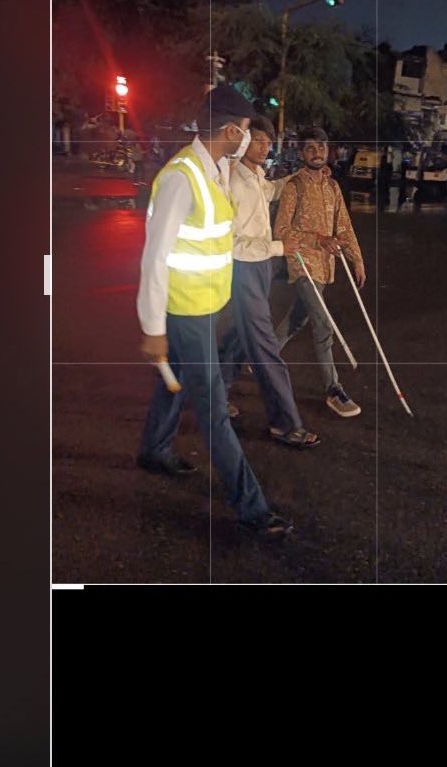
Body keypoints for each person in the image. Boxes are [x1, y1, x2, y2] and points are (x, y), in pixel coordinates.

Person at [136, 85, 292, 536]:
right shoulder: (182, 178)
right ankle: (253, 509)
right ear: (228, 130)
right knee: (214, 410)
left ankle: (154, 449)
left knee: (175, 384)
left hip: (205, 305)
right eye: (245, 130)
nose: (249, 137)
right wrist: (152, 328)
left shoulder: (216, 168)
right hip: (184, 312)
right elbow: (155, 257)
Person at [218, 115, 320, 449]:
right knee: (264, 346)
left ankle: (214, 396)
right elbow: (231, 243)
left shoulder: (256, 176)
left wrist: (301, 175)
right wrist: (279, 247)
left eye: (268, 141)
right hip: (244, 267)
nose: (265, 147)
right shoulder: (231, 181)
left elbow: (273, 191)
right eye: (259, 140)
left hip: (260, 266)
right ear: (245, 141)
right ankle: (285, 423)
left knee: (238, 335)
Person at [273, 127, 366, 418]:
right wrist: (319, 240)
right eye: (310, 147)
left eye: (321, 146)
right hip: (302, 263)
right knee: (324, 325)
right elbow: (282, 231)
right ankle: (333, 390)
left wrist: (357, 259)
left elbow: (344, 226)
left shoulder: (332, 187)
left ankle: (261, 355)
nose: (317, 151)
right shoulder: (294, 187)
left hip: (326, 267)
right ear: (301, 153)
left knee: (297, 319)